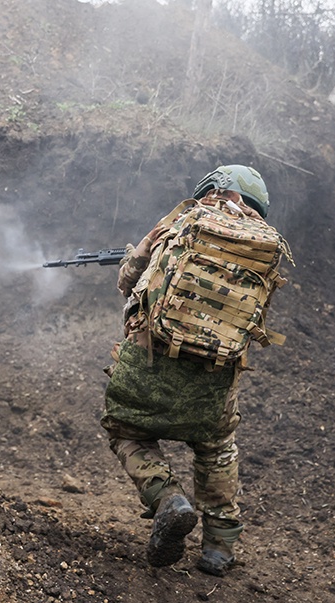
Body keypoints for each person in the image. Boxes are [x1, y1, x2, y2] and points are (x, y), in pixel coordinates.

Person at [100, 164, 284, 577]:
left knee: (126, 431)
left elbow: (128, 280)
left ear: (213, 187)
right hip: (215, 377)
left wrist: (136, 258)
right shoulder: (264, 245)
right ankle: (219, 546)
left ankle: (167, 498)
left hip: (151, 363)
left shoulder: (184, 218)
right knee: (216, 447)